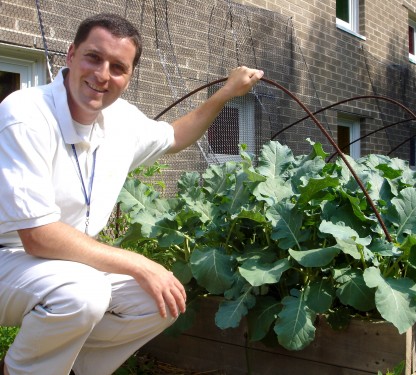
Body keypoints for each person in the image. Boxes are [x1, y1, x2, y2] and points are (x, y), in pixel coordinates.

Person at [0, 12, 263, 375]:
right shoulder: (26, 113)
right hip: (9, 258)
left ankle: (66, 367)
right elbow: (38, 236)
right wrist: (139, 263)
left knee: (160, 299)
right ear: (71, 55)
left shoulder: (121, 120)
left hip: (62, 266)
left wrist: (227, 92)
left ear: (129, 77)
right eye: (93, 57)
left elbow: (176, 136)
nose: (102, 75)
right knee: (84, 292)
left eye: (118, 67)